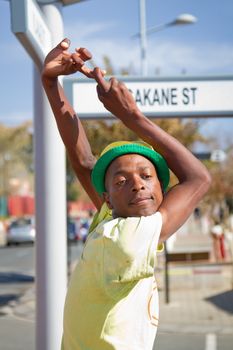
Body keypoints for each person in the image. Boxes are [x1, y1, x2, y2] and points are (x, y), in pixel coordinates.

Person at [41, 38, 211, 350]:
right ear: (107, 198)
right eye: (121, 182)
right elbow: (198, 178)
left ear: (162, 189)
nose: (137, 184)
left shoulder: (111, 220)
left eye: (147, 176)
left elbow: (83, 161)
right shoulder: (129, 236)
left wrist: (51, 83)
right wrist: (132, 115)